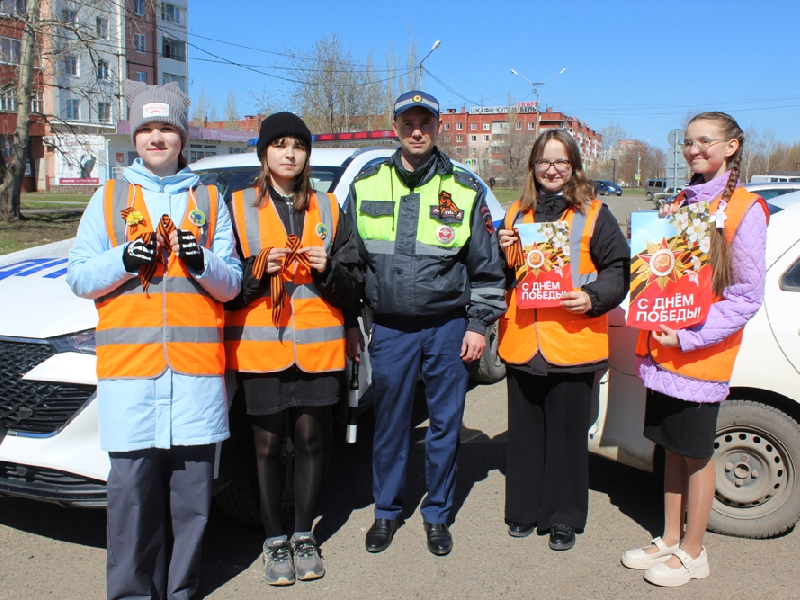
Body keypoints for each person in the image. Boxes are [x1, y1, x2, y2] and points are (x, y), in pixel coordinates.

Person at [67, 81, 242, 600]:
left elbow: (231, 283)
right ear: (135, 136)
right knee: (131, 503)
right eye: (147, 128)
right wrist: (123, 259)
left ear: (183, 137)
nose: (157, 137)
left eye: (166, 128)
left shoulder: (209, 200)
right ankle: (131, 595)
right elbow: (78, 277)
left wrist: (200, 262)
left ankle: (182, 591)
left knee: (191, 505)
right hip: (132, 378)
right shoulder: (110, 197)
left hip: (193, 380)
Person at [346, 90, 506, 556]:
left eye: (426, 123)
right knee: (391, 425)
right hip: (391, 328)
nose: (417, 131)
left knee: (444, 425)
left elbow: (487, 269)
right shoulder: (367, 184)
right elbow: (350, 263)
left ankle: (437, 514)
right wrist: (350, 320)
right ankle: (386, 513)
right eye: (408, 122)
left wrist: (478, 325)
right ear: (395, 127)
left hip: (448, 327)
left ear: (437, 127)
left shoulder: (463, 187)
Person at [621, 112, 768, 587]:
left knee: (696, 454)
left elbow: (746, 296)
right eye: (687, 142)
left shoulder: (746, 209)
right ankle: (668, 537)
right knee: (670, 449)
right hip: (662, 352)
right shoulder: (680, 202)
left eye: (705, 141)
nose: (693, 149)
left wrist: (688, 336)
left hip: (700, 355)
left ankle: (693, 551)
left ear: (732, 147)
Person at [224, 112, 363, 586]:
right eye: (279, 144)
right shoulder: (237, 205)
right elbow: (224, 287)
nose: (289, 153)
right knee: (265, 447)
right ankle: (273, 541)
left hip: (319, 351)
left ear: (307, 154)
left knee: (310, 441)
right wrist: (257, 269)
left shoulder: (327, 208)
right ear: (264, 153)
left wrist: (328, 270)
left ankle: (304, 535)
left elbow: (356, 286)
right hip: (262, 350)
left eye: (298, 145)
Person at [497, 129, 629, 551]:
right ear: (532, 167)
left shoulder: (594, 214)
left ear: (574, 167)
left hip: (574, 343)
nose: (552, 170)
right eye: (544, 162)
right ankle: (523, 510)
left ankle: (563, 517)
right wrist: (501, 252)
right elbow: (502, 278)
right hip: (522, 342)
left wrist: (591, 297)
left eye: (561, 163)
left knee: (569, 438)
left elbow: (618, 271)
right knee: (525, 434)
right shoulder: (514, 214)